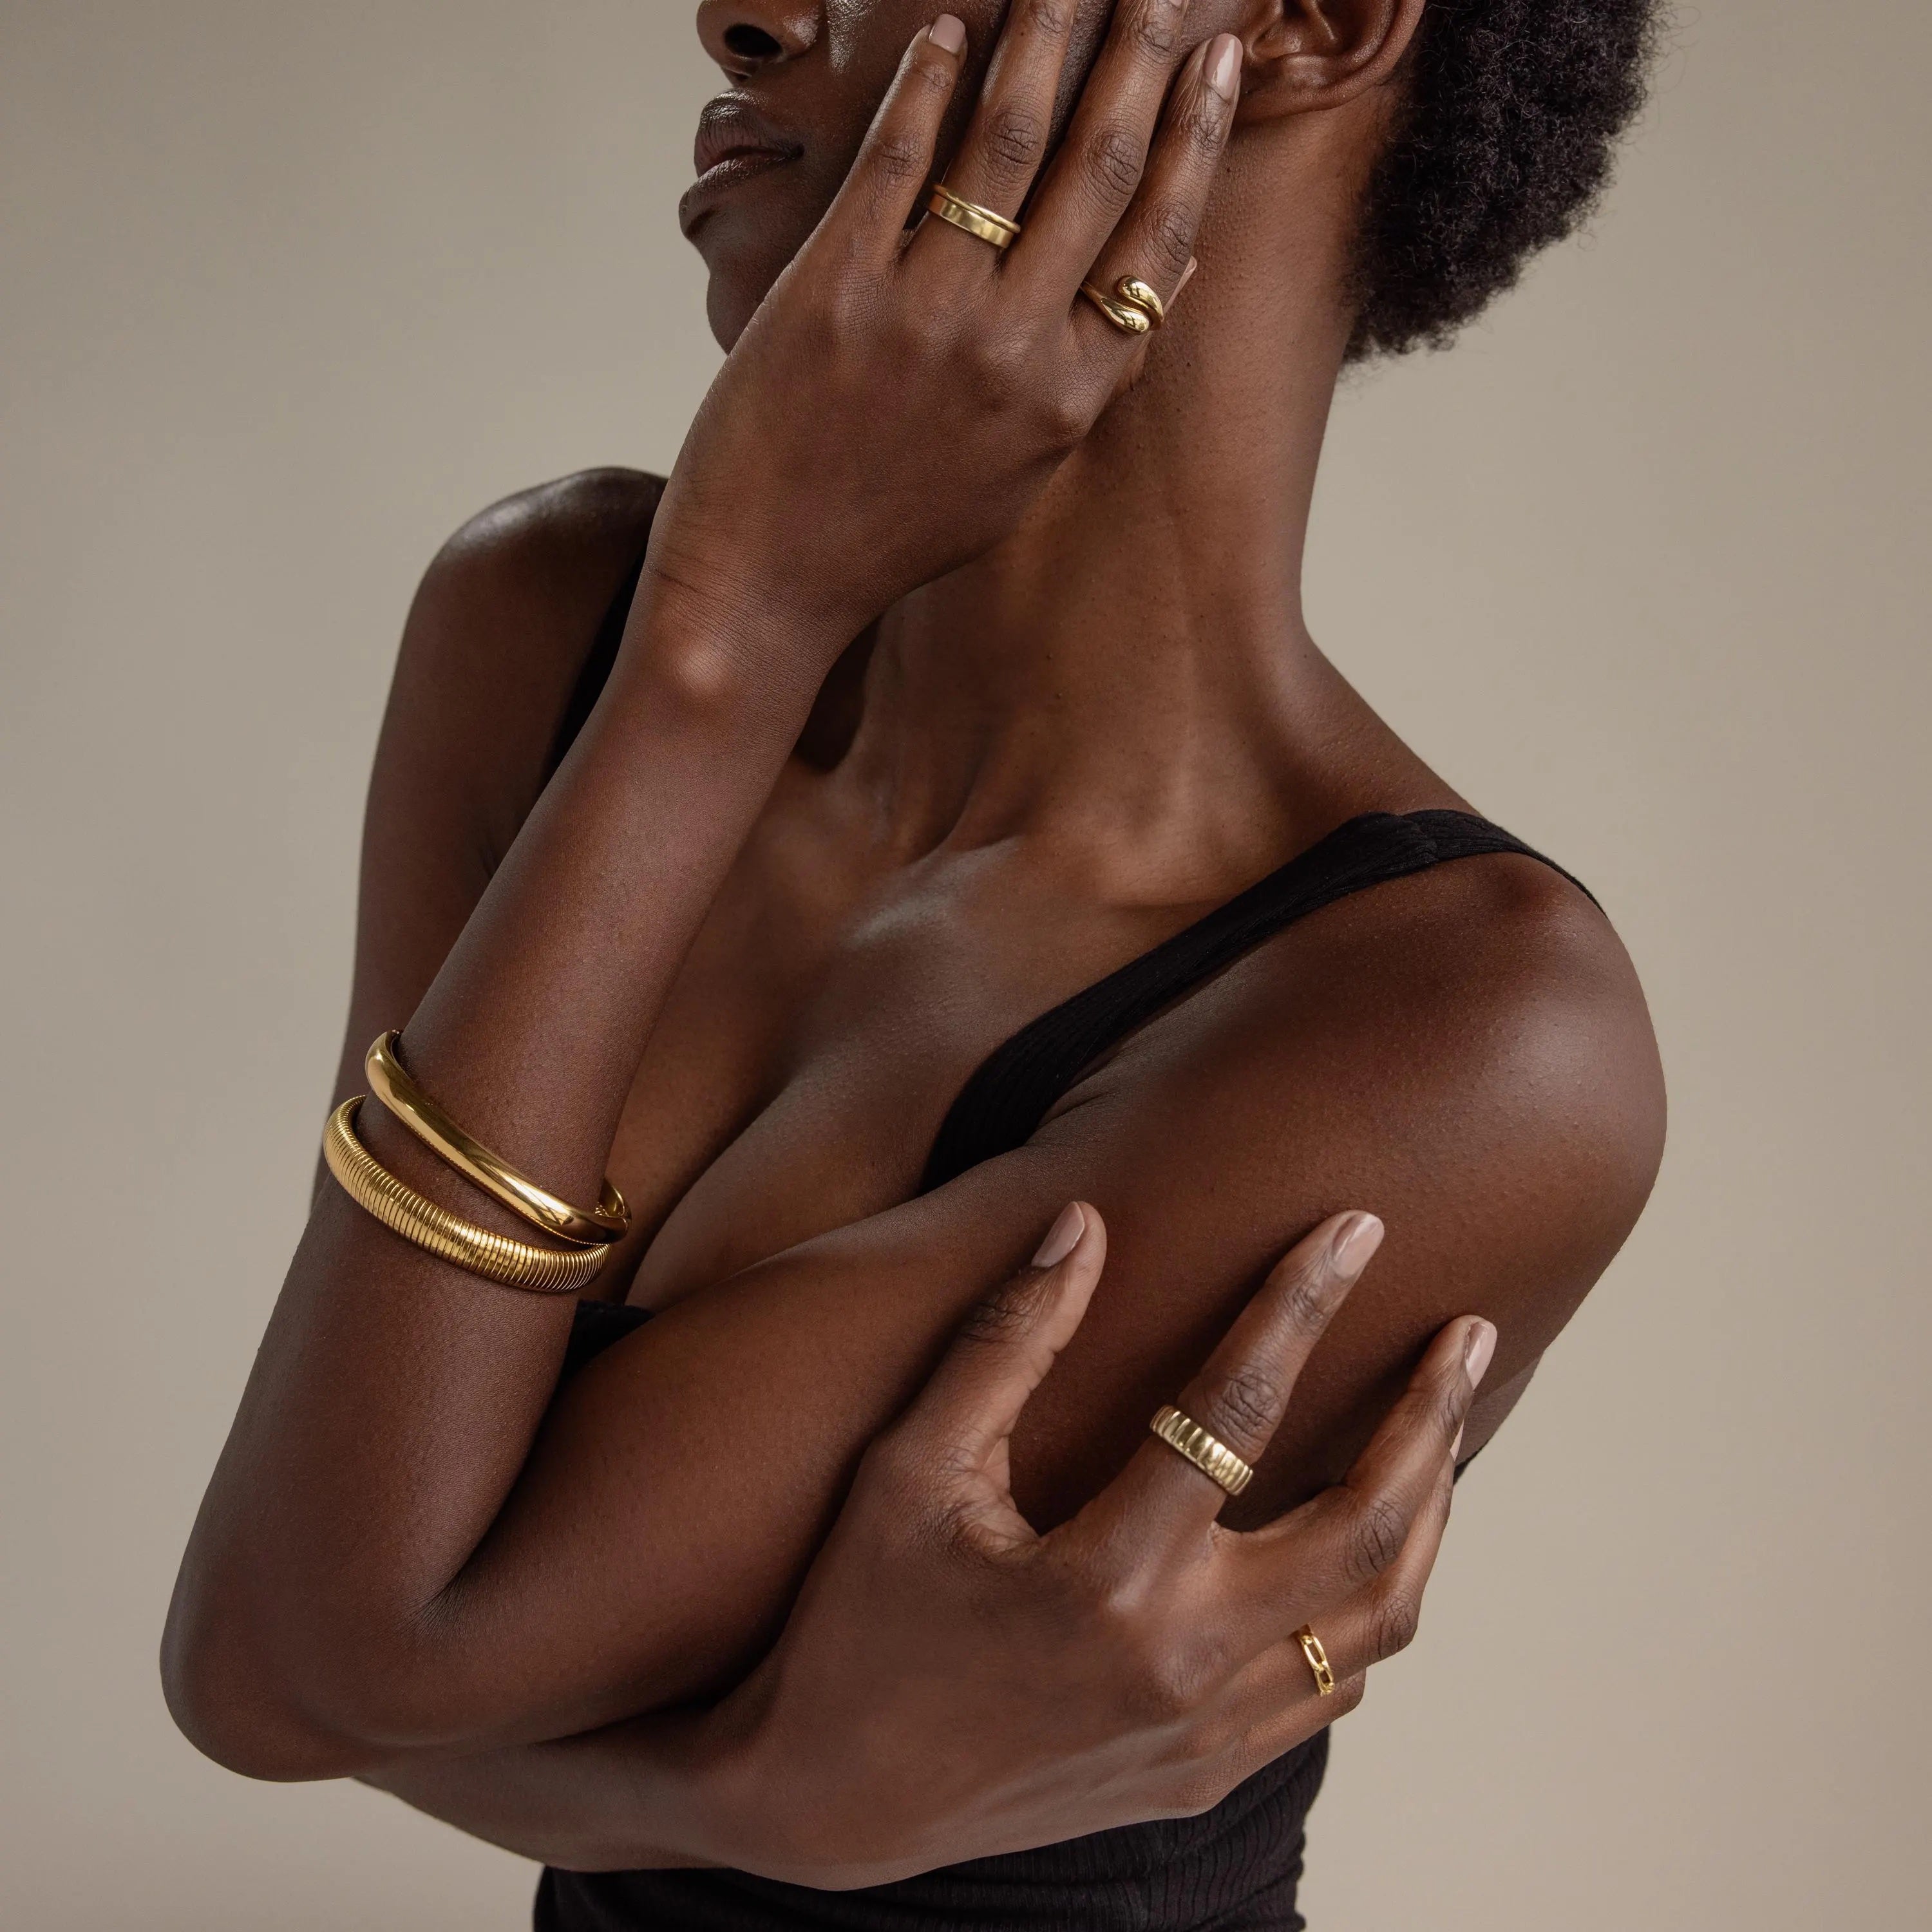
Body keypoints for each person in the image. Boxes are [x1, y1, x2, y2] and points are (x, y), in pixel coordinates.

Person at [162, 1, 1666, 1924]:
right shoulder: (552, 629)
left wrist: (734, 631)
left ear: (1306, 25)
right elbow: (290, 1658)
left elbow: (318, 1657)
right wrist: (765, 1794)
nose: (737, 12)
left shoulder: (1464, 1036)